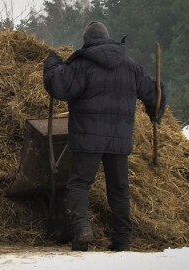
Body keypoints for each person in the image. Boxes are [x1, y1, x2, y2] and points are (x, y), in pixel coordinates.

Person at [43, 21, 166, 251]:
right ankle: (122, 241)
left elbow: (59, 85)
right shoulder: (131, 67)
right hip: (119, 139)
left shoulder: (82, 64)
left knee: (80, 184)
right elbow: (154, 92)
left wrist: (52, 63)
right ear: (107, 38)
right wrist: (155, 112)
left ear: (87, 41)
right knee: (119, 189)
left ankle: (83, 230)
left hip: (88, 137)